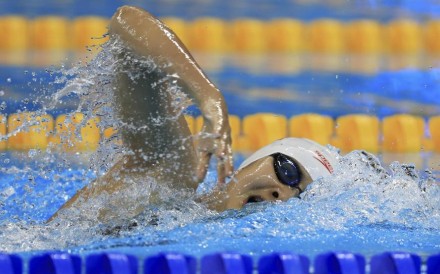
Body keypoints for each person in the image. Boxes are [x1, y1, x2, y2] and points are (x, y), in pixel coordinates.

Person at [49, 6, 338, 223]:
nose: (284, 194)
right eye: (288, 171)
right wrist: (211, 98)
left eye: (302, 197)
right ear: (252, 161)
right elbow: (125, 23)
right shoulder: (168, 176)